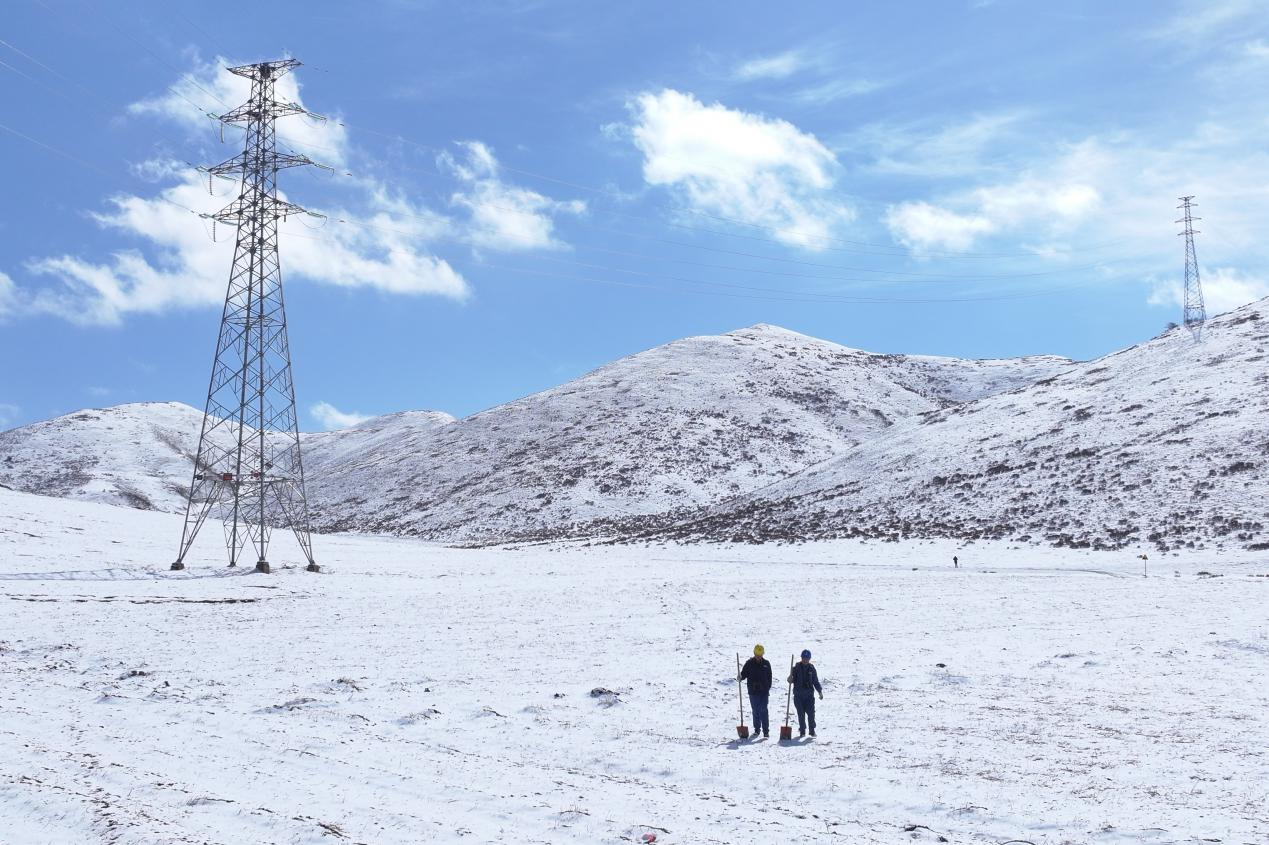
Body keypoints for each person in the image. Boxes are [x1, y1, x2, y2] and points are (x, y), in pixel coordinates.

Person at [739, 644, 772, 738]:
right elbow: (743, 674)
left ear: (763, 654)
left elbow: (769, 677)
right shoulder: (749, 663)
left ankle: (766, 731)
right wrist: (740, 677)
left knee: (764, 710)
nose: (758, 657)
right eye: (757, 655)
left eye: (760, 655)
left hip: (764, 692)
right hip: (753, 692)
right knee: (755, 710)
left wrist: (767, 688)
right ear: (754, 653)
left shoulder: (766, 663)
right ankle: (757, 730)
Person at [787, 649, 823, 737]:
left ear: (809, 658)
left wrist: (820, 691)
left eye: (807, 658)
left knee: (811, 714)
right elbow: (790, 680)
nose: (805, 660)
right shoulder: (796, 668)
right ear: (801, 658)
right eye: (804, 658)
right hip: (798, 695)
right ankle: (802, 731)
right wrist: (790, 679)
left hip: (809, 696)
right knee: (801, 714)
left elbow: (815, 681)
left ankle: (812, 731)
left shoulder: (812, 668)